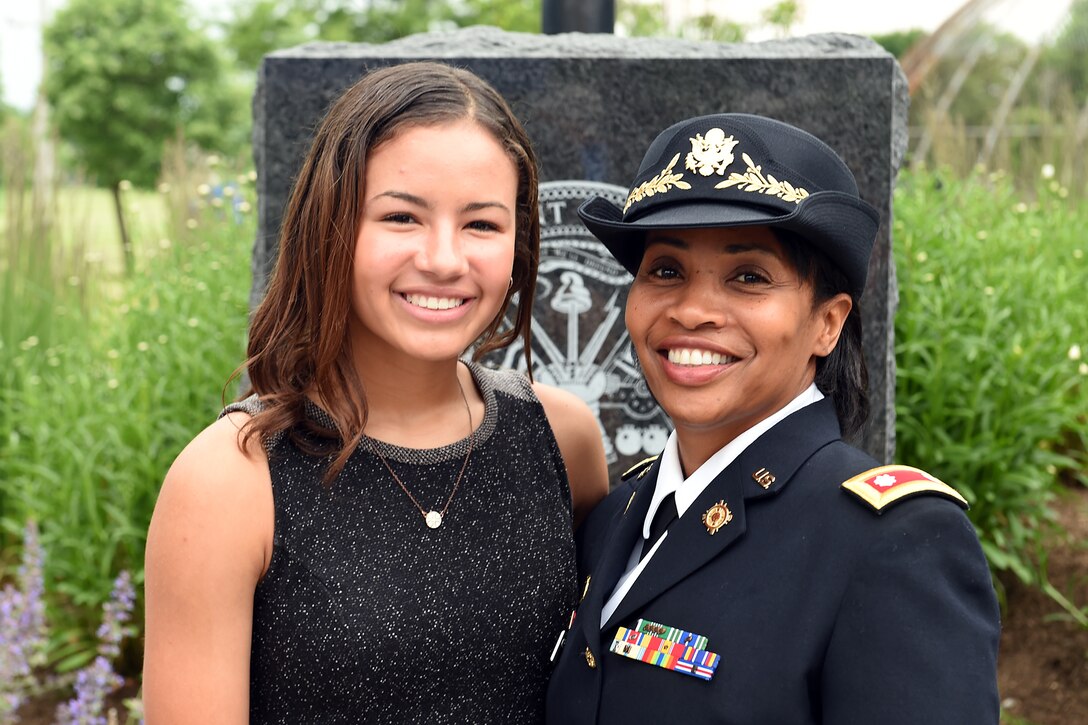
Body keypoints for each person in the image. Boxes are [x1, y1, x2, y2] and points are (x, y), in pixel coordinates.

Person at [142, 62, 609, 723]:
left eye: (481, 224)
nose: (445, 259)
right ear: (328, 224)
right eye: (401, 217)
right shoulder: (230, 480)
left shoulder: (564, 439)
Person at [545, 113, 1000, 724]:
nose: (694, 311)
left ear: (827, 323)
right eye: (666, 271)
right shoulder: (615, 517)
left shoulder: (893, 545)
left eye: (749, 277)